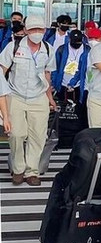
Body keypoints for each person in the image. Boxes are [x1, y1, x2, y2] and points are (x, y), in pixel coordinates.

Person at [0, 15, 57, 186]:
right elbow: (2, 69)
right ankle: (18, 169)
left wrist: (50, 98)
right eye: (33, 30)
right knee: (17, 134)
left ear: (45, 31)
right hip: (15, 96)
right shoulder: (13, 47)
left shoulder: (48, 49)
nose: (36, 33)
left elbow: (48, 74)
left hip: (39, 97)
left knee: (38, 136)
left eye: (40, 29)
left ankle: (32, 171)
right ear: (25, 30)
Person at [52, 29, 91, 105]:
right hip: (63, 85)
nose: (76, 44)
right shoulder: (61, 49)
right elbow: (55, 67)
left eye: (78, 42)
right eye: (74, 42)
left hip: (80, 86)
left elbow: (89, 70)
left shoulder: (88, 50)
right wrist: (54, 83)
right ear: (69, 39)